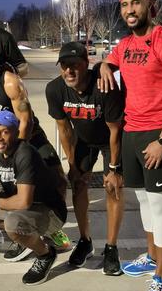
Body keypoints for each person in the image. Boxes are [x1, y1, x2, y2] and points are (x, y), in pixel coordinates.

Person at [98, 0, 162, 291]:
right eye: (124, 5)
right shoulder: (124, 45)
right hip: (131, 131)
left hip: (157, 133)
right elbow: (109, 60)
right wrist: (105, 66)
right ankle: (152, 258)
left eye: (136, 3)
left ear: (151, 6)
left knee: (159, 204)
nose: (130, 10)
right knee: (143, 200)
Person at [0, 37, 70, 257]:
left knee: (57, 178)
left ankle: (51, 227)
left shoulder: (9, 81)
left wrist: (18, 153)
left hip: (27, 138)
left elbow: (25, 120)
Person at [46, 41, 125, 275]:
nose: (69, 71)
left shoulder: (104, 87)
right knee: (78, 185)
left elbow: (115, 131)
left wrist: (113, 168)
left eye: (74, 65)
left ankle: (111, 248)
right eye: (64, 66)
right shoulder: (55, 89)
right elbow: (64, 129)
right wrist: (72, 163)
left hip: (109, 138)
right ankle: (85, 240)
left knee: (114, 188)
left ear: (86, 64)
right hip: (83, 140)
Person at [0, 110, 68, 285]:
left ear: (15, 132)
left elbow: (23, 201)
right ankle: (24, 235)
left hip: (49, 211)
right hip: (21, 211)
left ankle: (45, 254)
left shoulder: (25, 154)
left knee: (12, 223)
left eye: (4, 132)